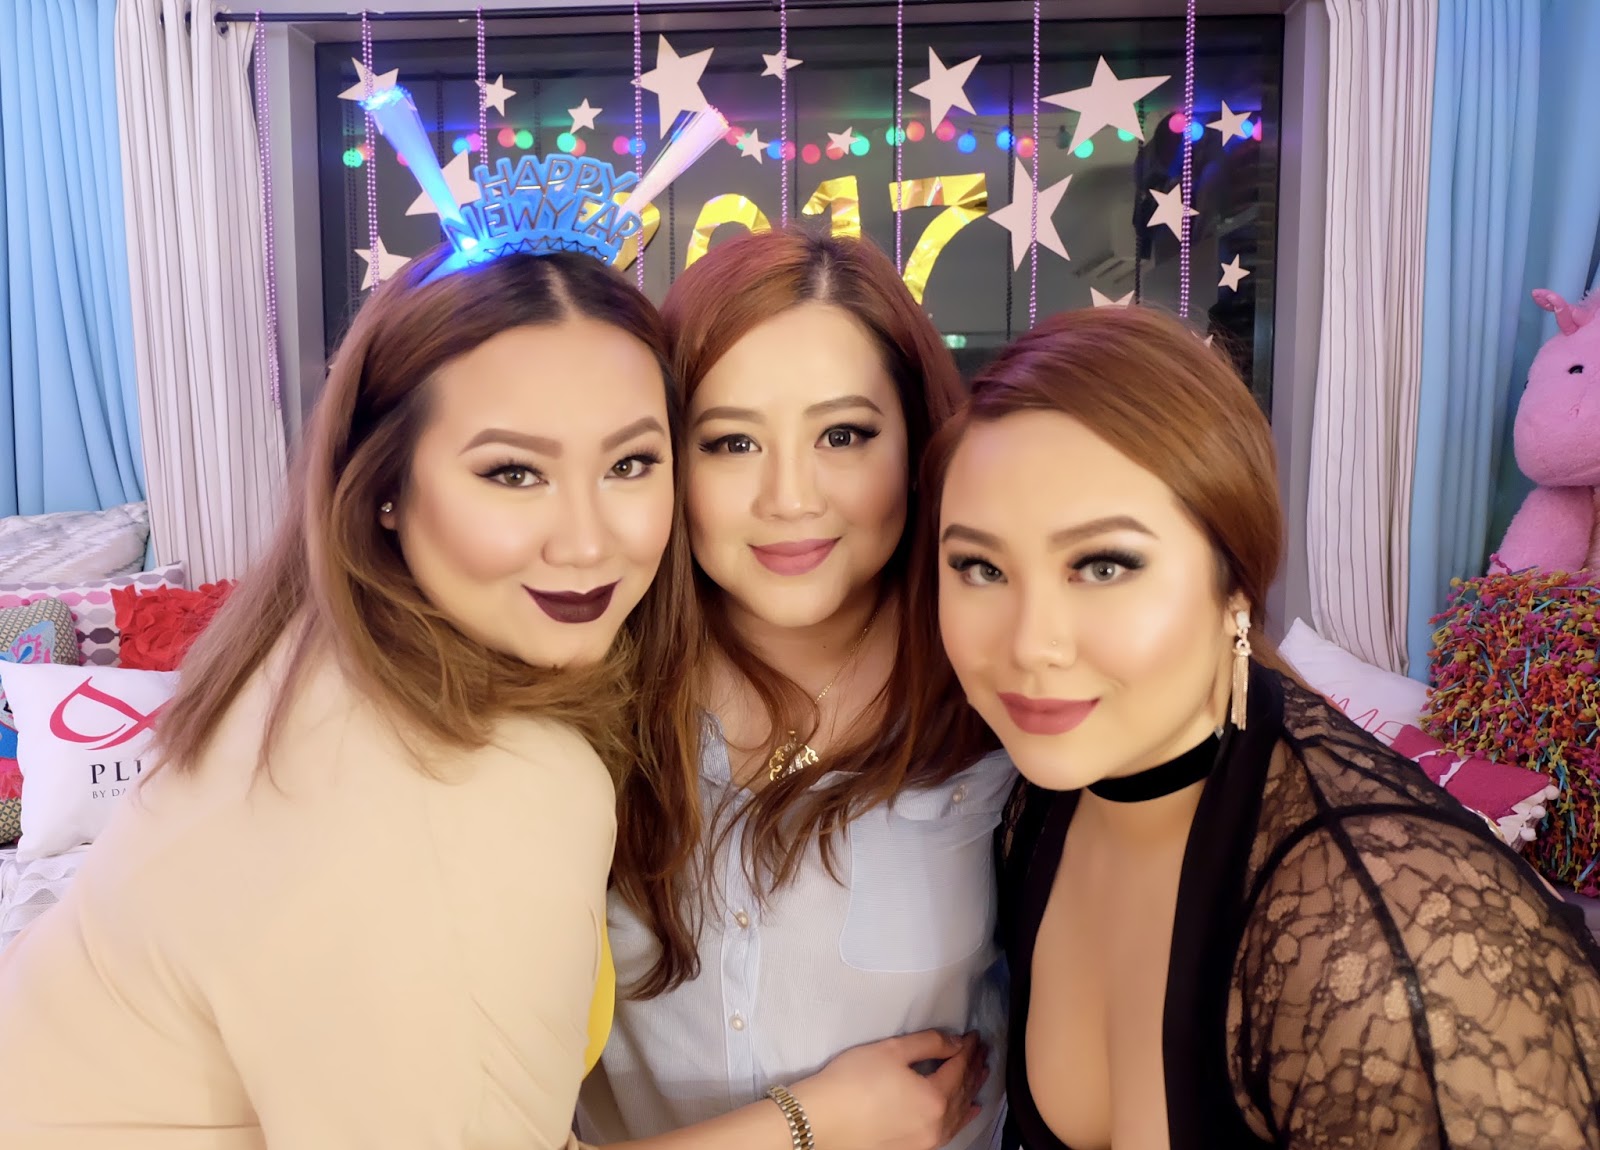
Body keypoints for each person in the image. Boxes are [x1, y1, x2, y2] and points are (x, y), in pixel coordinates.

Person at [0, 248, 690, 1149]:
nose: (588, 543)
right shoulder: (479, 787)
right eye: (513, 473)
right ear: (385, 487)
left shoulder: (315, 653)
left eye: (631, 464)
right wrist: (813, 1120)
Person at [925, 304, 1600, 1149]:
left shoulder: (1389, 945)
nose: (1030, 646)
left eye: (1102, 565)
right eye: (980, 567)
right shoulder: (1039, 795)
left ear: (1236, 584)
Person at [578, 229, 1012, 1150]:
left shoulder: (1002, 693)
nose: (789, 497)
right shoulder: (586, 698)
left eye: (843, 435)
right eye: (732, 441)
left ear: (919, 444)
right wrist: (811, 1123)